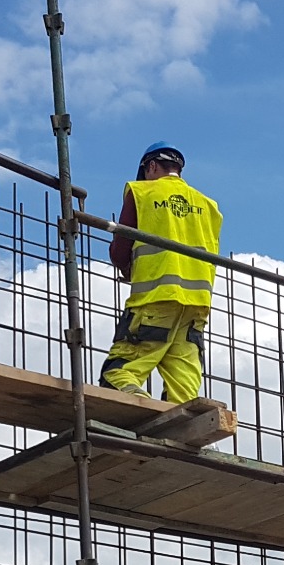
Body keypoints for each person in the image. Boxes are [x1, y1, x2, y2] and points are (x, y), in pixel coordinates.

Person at [101, 142, 223, 402]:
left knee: (116, 375)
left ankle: (138, 406)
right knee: (184, 387)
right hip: (196, 307)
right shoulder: (209, 206)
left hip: (155, 300)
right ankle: (179, 427)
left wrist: (126, 267)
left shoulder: (142, 192)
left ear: (151, 167)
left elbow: (120, 251)